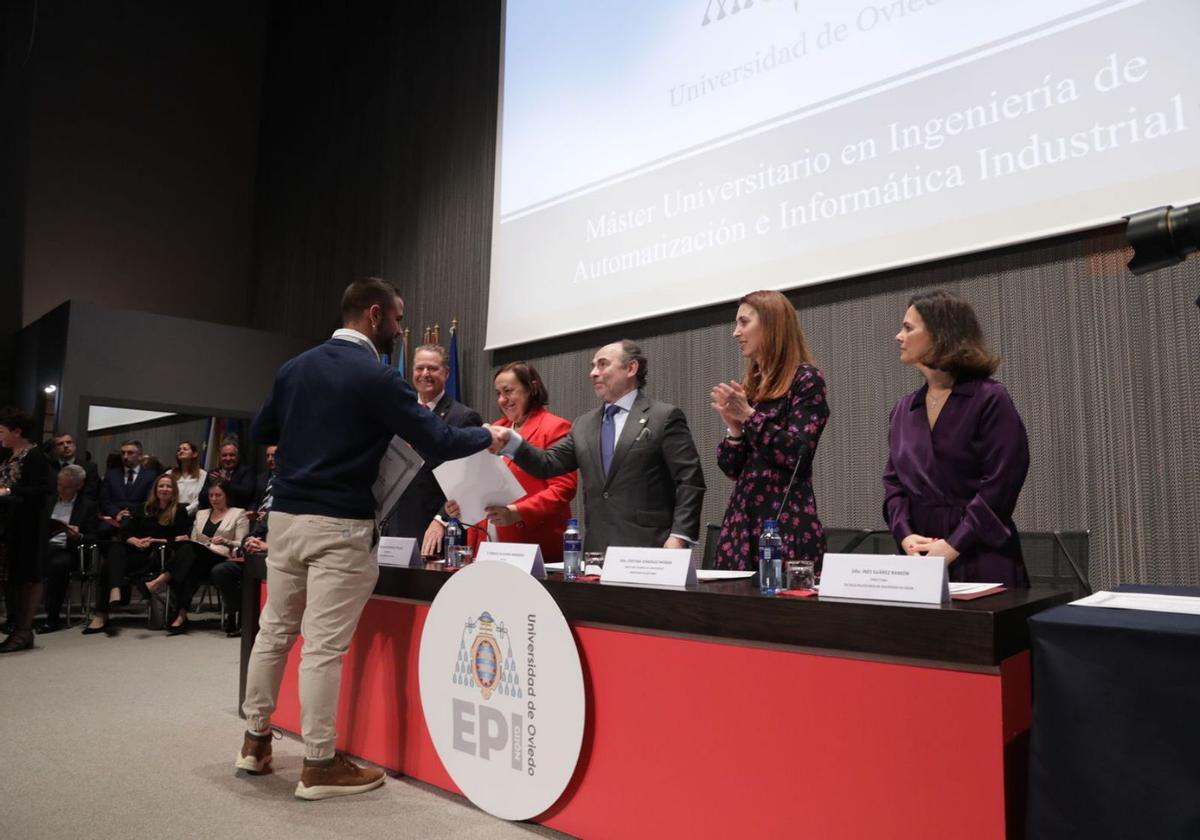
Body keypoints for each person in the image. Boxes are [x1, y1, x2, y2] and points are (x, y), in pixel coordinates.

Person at [238, 277, 503, 801]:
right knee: (323, 649)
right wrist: (488, 435)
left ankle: (254, 742)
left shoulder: (294, 367)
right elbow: (440, 440)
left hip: (286, 522)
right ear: (375, 315)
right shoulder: (378, 377)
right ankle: (317, 765)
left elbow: (260, 432)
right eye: (399, 320)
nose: (401, 332)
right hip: (340, 526)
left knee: (273, 634)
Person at [883, 289, 1031, 587]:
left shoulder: (989, 399)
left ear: (940, 334)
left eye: (908, 328)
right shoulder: (903, 408)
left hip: (980, 553)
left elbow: (1002, 483)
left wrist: (952, 546)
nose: (899, 336)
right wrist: (905, 535)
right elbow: (894, 483)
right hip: (918, 558)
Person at [499, 340, 705, 552]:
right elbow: (546, 465)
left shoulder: (663, 417)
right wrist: (511, 442)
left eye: (603, 364)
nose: (593, 373)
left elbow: (689, 480)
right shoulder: (584, 425)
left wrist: (680, 536)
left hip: (652, 548)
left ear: (631, 368)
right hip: (597, 551)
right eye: (593, 366)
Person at [710, 291, 829, 571]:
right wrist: (734, 429)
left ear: (771, 324)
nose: (735, 332)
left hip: (785, 524)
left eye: (743, 322)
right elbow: (731, 468)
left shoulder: (806, 379)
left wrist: (750, 417)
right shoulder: (751, 387)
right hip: (742, 524)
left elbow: (798, 453)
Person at [445, 362, 577, 561]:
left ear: (532, 388)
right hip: (487, 543)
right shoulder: (494, 429)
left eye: (508, 391)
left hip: (531, 544)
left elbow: (563, 490)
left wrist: (518, 512)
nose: (502, 400)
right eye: (498, 393)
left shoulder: (555, 427)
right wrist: (460, 504)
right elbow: (479, 483)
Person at [382, 344, 483, 547]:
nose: (425, 374)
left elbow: (468, 480)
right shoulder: (400, 413)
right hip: (393, 524)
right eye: (420, 368)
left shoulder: (463, 417)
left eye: (432, 368)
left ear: (446, 373)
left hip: (434, 530)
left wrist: (442, 520)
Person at [84, 473, 191, 634]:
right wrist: (133, 540)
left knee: (108, 567)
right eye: (161, 486)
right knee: (115, 548)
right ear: (155, 489)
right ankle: (115, 589)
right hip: (137, 551)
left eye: (168, 486)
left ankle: (102, 614)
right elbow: (125, 531)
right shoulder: (144, 508)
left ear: (174, 490)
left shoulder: (180, 511)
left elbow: (181, 538)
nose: (164, 489)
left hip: (157, 556)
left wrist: (155, 540)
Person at [153, 479, 248, 635]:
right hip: (200, 556)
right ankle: (181, 615)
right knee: (189, 556)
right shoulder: (201, 513)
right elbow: (194, 539)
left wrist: (225, 540)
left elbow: (241, 542)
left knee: (188, 555)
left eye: (218, 495)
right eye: (211, 495)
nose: (214, 499)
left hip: (222, 555)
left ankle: (161, 581)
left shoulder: (238, 513)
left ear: (227, 496)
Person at [0, 407, 55, 652]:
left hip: (28, 525)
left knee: (28, 576)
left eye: (2, 431)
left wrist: (9, 491)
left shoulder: (35, 456)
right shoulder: (8, 456)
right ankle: (17, 627)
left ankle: (23, 630)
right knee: (13, 578)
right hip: (9, 523)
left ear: (16, 431)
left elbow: (42, 490)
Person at [40, 465, 99, 633]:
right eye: (59, 485)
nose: (61, 489)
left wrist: (79, 535)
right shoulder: (49, 501)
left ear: (78, 486)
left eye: (66, 487)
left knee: (57, 565)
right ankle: (17, 618)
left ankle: (52, 618)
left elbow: (94, 537)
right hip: (45, 546)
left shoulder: (88, 505)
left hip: (70, 550)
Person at [98, 440, 159, 533]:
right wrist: (117, 513)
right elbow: (104, 500)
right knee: (102, 530)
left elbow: (149, 501)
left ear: (140, 456)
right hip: (114, 517)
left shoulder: (150, 476)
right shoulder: (111, 475)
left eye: (130, 453)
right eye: (123, 453)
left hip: (138, 517)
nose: (125, 456)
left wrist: (131, 514)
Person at [49, 432, 101, 503]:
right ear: (55, 450)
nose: (66, 446)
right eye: (60, 444)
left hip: (79, 508)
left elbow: (90, 493)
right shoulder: (48, 467)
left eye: (69, 442)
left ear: (75, 446)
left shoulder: (89, 468)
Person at [206, 441, 255, 509]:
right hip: (214, 511)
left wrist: (224, 482)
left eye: (232, 455)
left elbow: (246, 493)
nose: (228, 458)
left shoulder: (246, 472)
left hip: (237, 512)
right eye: (224, 455)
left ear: (238, 457)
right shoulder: (213, 473)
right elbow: (202, 497)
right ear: (219, 457)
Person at [170, 440, 208, 516]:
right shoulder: (169, 473)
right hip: (170, 514)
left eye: (185, 449)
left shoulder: (203, 475)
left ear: (194, 454)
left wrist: (184, 512)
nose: (181, 451)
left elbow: (199, 499)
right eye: (179, 450)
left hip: (192, 515)